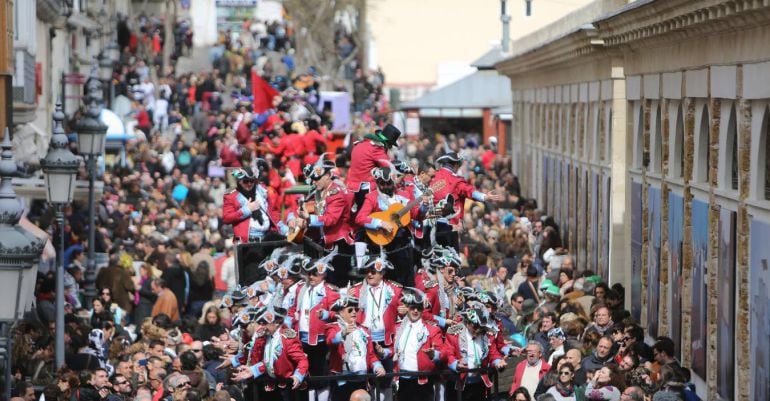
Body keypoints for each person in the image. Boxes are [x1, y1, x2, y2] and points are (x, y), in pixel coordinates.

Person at [285, 256, 341, 401]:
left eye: (315, 274)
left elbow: (339, 314)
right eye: (309, 273)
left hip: (321, 340)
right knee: (307, 376)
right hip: (301, 339)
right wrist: (288, 323)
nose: (311, 277)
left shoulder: (330, 291)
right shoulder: (301, 289)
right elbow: (292, 309)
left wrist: (326, 314)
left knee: (321, 376)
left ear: (324, 274)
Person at [296, 157, 355, 287]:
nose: (314, 182)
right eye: (312, 179)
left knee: (337, 282)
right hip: (327, 241)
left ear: (328, 175)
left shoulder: (335, 193)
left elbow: (330, 219)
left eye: (317, 178)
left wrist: (309, 219)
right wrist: (301, 218)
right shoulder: (321, 191)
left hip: (339, 242)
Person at [355, 166, 418, 285]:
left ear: (393, 182)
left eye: (388, 183)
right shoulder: (372, 197)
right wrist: (379, 223)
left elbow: (416, 214)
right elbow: (360, 218)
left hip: (402, 245)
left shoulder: (404, 195)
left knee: (406, 280)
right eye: (381, 184)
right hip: (382, 244)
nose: (384, 187)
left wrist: (424, 206)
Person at [231, 306, 308, 401]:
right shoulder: (266, 337)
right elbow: (268, 363)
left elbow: (302, 360)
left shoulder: (287, 337)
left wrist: (297, 376)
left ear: (276, 323)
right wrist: (253, 370)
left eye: (265, 323)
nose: (262, 326)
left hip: (290, 387)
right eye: (261, 323)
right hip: (275, 386)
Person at [428, 151, 503, 249]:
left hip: (429, 224)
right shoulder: (456, 180)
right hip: (450, 226)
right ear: (455, 165)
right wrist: (484, 196)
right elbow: (470, 191)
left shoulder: (432, 177)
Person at [325, 294, 385, 401]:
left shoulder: (364, 330)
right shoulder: (334, 328)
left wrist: (378, 366)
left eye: (356, 310)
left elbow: (370, 355)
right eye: (350, 310)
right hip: (342, 381)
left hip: (361, 380)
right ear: (341, 313)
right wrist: (343, 333)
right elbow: (330, 341)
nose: (354, 312)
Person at [391, 287, 445, 401]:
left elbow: (442, 353)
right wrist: (383, 352)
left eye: (419, 308)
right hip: (402, 378)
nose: (415, 311)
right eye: (412, 308)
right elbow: (393, 351)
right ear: (407, 308)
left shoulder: (432, 329)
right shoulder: (398, 328)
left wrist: (433, 354)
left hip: (422, 380)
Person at [445, 303, 506, 401]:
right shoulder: (454, 333)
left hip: (478, 383)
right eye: (476, 326)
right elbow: (448, 353)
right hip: (458, 383)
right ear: (468, 323)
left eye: (481, 327)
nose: (478, 330)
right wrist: (455, 364)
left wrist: (498, 362)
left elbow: (493, 353)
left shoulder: (486, 335)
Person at [223, 167, 273, 243]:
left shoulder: (261, 191)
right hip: (247, 241)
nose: (249, 184)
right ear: (239, 182)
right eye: (246, 181)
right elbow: (226, 218)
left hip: (266, 238)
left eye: (251, 181)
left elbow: (273, 211)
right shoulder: (231, 197)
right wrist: (246, 210)